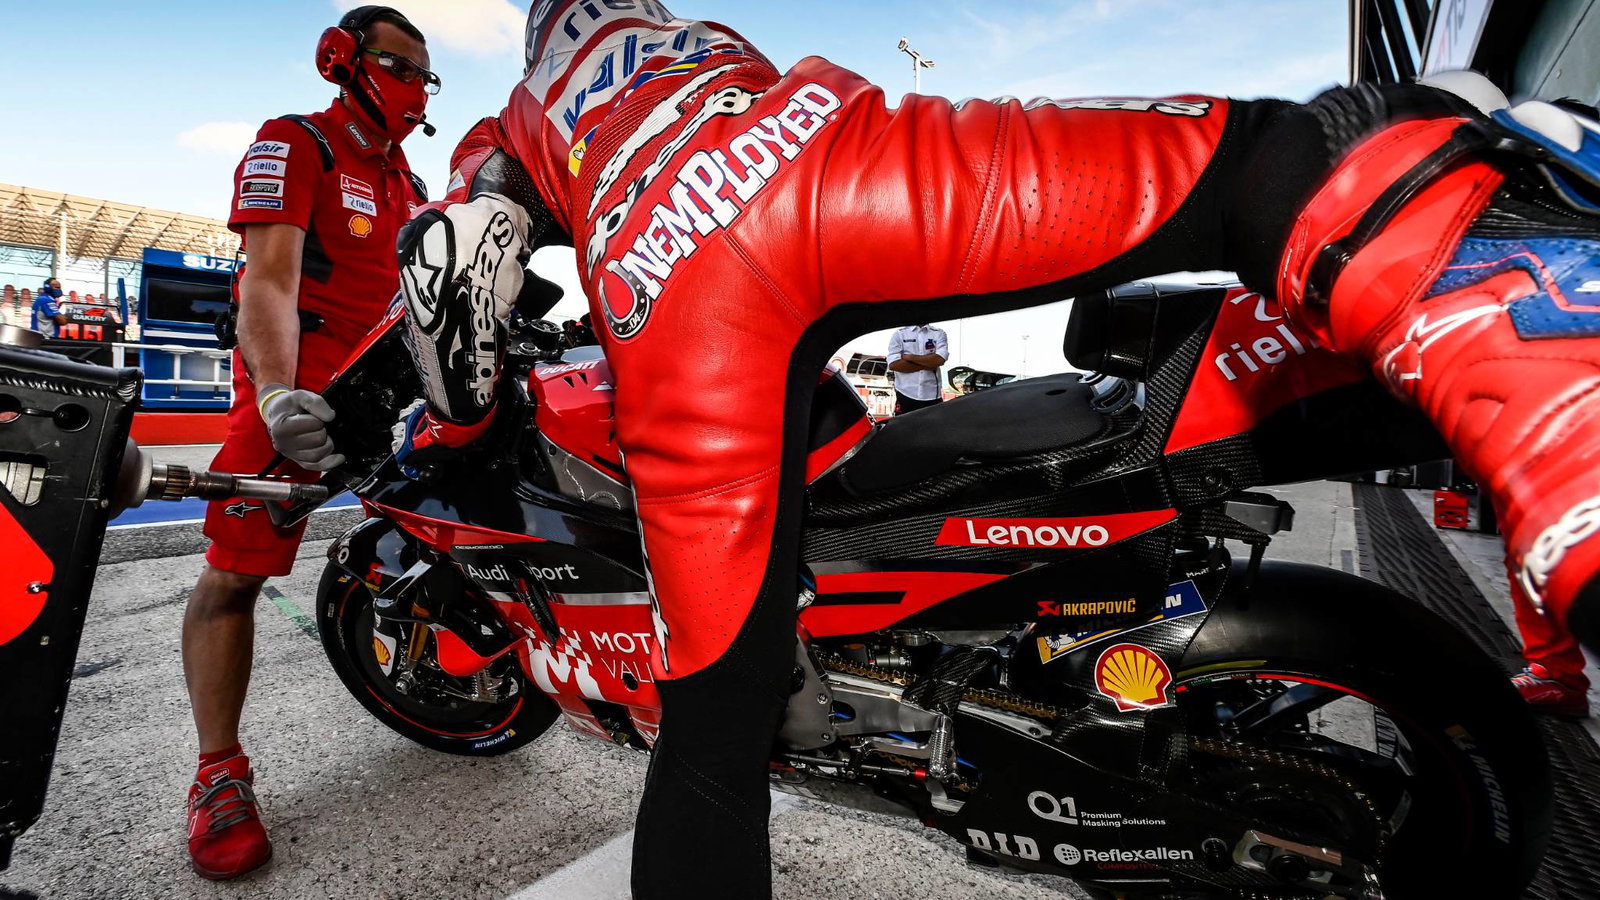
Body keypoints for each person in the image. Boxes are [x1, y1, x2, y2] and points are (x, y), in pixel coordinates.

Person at [391, 3, 1600, 895]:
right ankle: (1535, 340)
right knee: (1273, 159)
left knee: (712, 735)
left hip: (685, 291)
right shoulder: (682, 31)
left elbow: (452, 275)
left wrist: (450, 419)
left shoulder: (521, 113)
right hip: (826, 156)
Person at [180, 5, 434, 880]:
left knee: (463, 533)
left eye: (424, 77)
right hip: (301, 398)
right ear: (343, 60)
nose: (417, 89)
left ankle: (445, 684)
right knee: (232, 577)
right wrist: (282, 393)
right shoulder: (297, 142)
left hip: (392, 399)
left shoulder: (411, 182)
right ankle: (218, 772)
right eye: (402, 67)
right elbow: (270, 282)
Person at [886, 323, 948, 414]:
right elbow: (894, 364)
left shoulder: (939, 333)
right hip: (905, 394)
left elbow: (940, 359)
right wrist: (929, 363)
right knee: (904, 428)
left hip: (933, 396)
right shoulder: (899, 334)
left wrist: (910, 357)